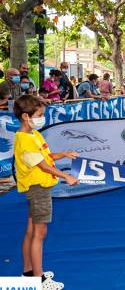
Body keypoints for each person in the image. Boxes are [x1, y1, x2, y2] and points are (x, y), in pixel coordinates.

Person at [13, 95, 79, 289]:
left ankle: (28, 273)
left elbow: (47, 157)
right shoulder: (24, 140)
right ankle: (38, 280)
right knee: (39, 234)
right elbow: (44, 166)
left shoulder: (33, 134)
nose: (42, 118)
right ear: (26, 116)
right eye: (39, 114)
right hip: (38, 189)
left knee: (31, 231)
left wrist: (64, 154)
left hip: (38, 189)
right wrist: (66, 176)